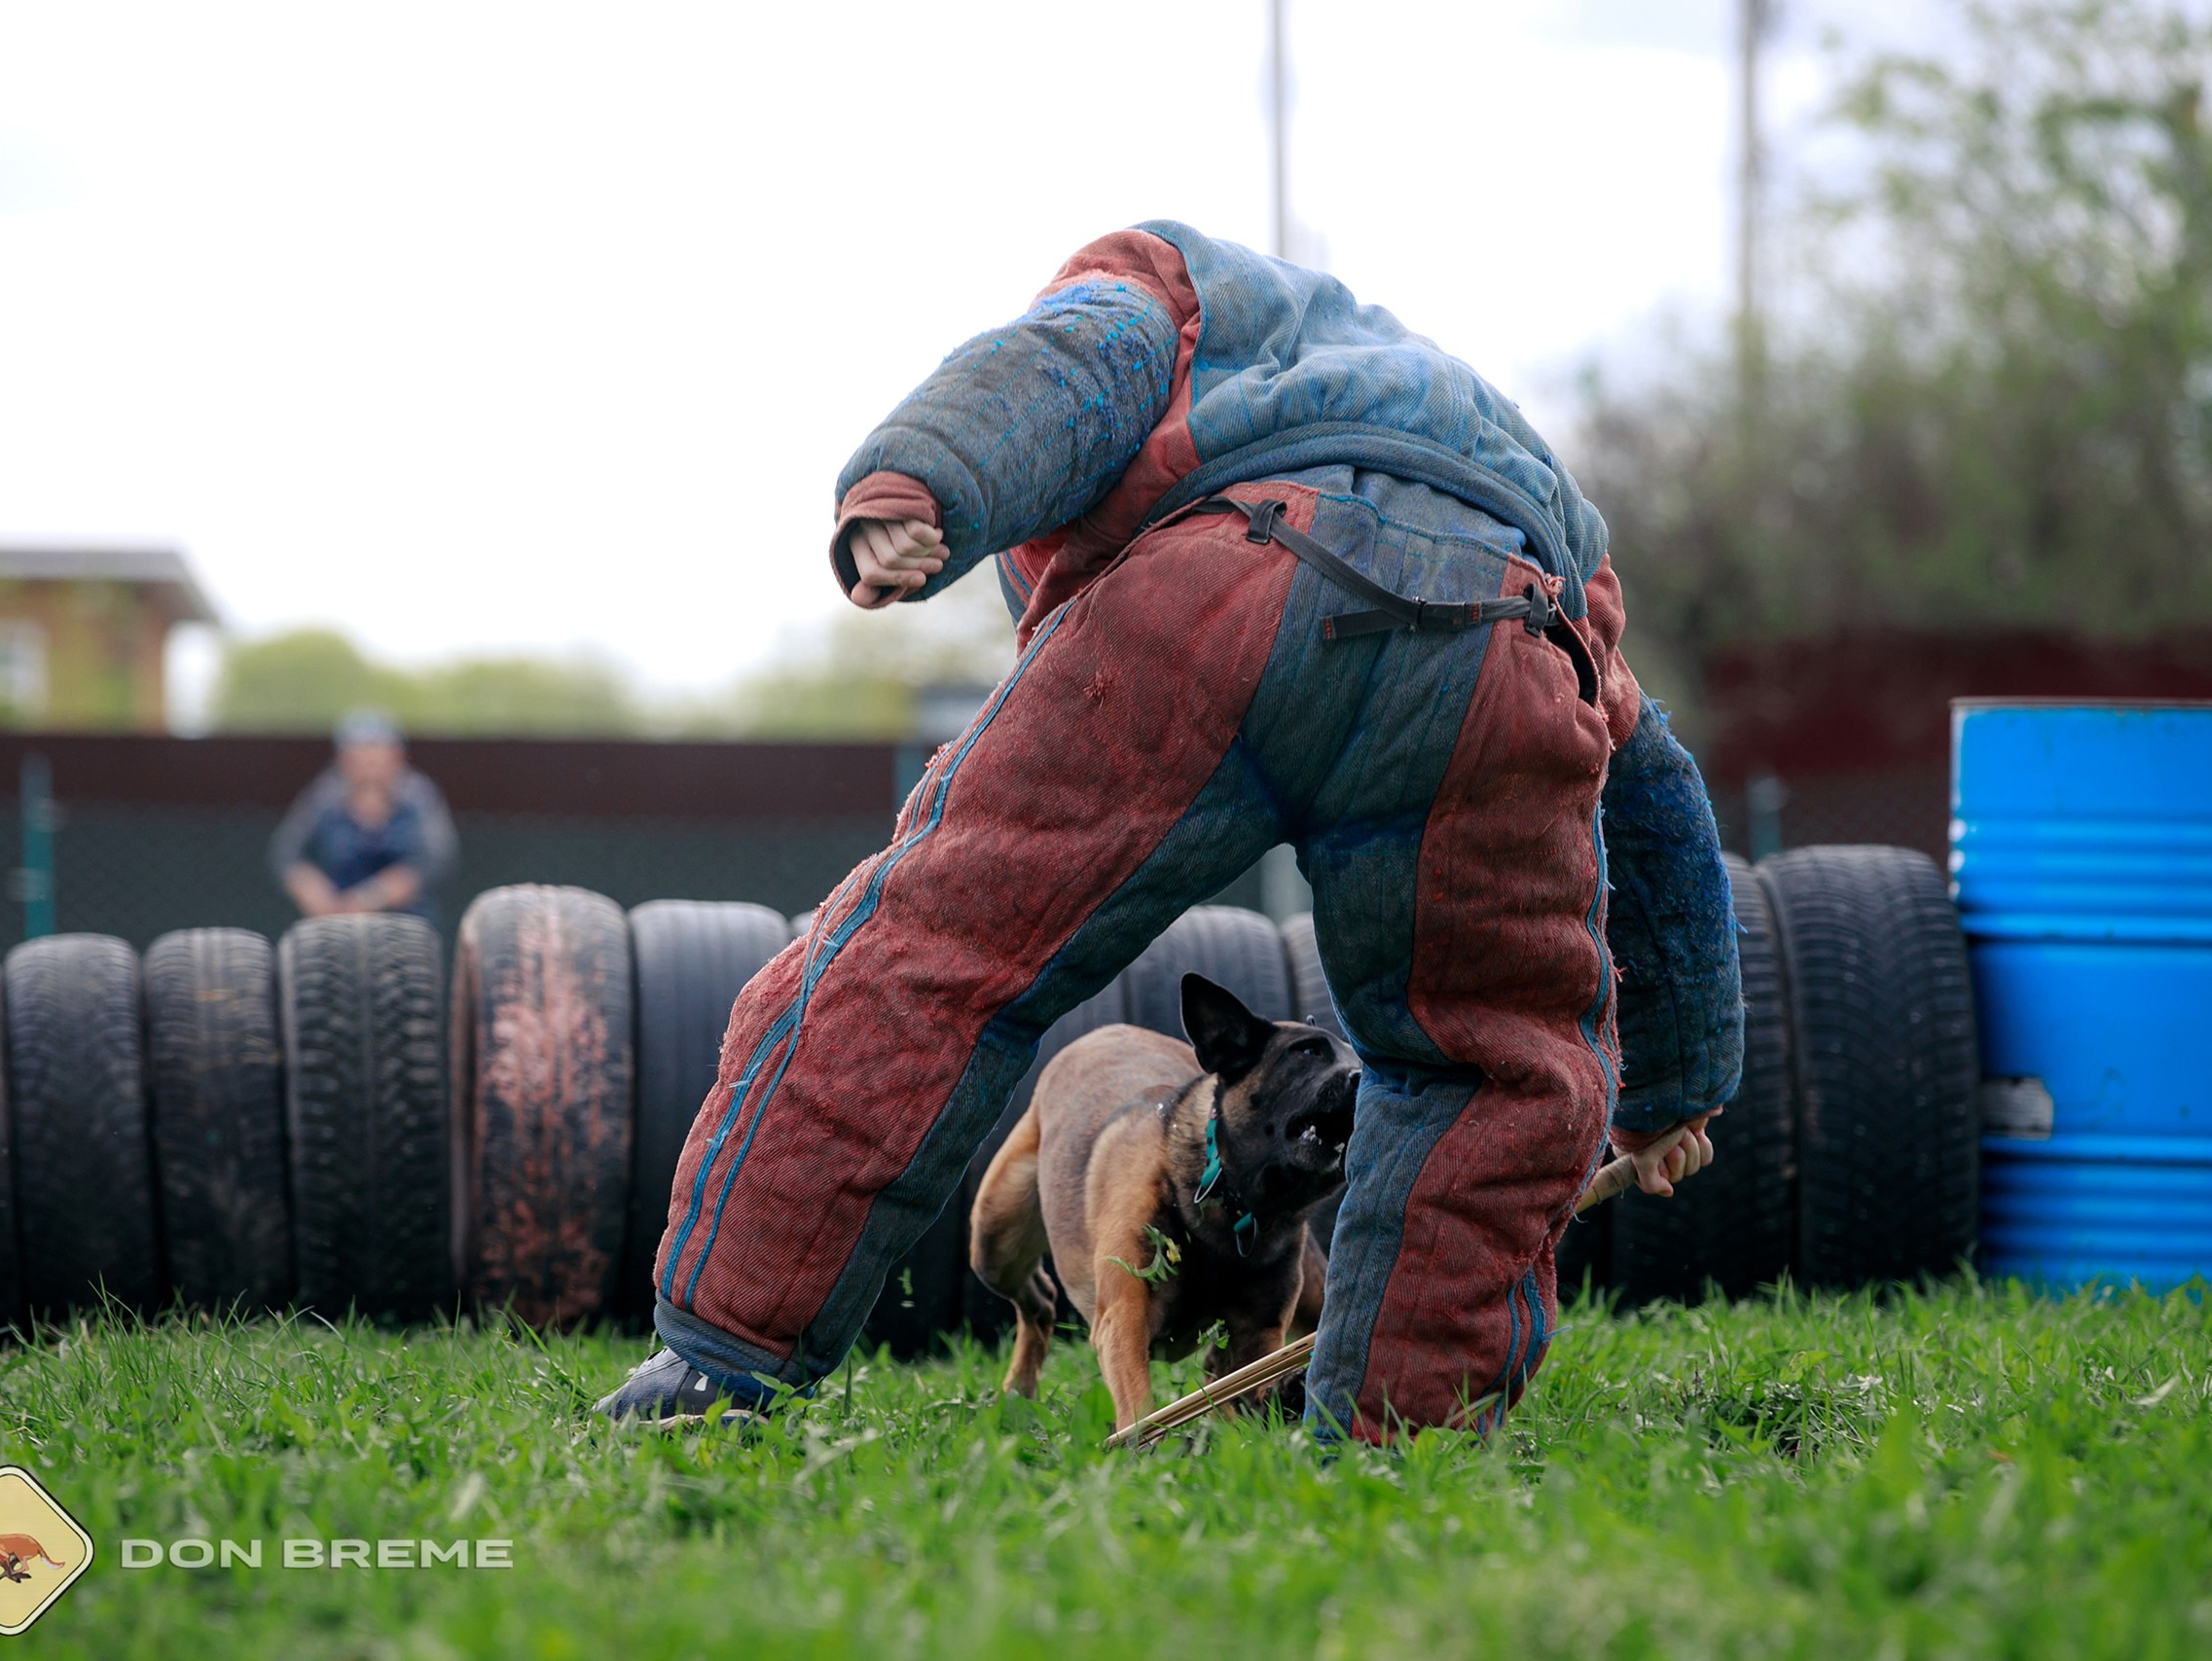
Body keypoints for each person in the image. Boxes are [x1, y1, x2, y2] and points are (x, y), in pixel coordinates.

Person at [599, 222, 1741, 1441]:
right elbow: (1650, 782)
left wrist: (916, 483)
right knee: (1489, 1073)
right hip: (1505, 642)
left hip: (1215, 594)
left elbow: (1070, 366)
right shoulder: (1521, 461)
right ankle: (1405, 1438)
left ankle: (720, 1364)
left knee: (925, 958)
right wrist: (1673, 1084)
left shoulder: (1164, 286)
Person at [271, 710, 458, 926]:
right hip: (336, 922)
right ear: (342, 759)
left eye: (377, 751)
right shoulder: (323, 798)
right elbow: (286, 854)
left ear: (396, 756)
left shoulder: (418, 797)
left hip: (406, 925)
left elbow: (437, 858)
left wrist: (376, 895)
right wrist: (312, 890)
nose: (369, 761)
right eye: (359, 753)